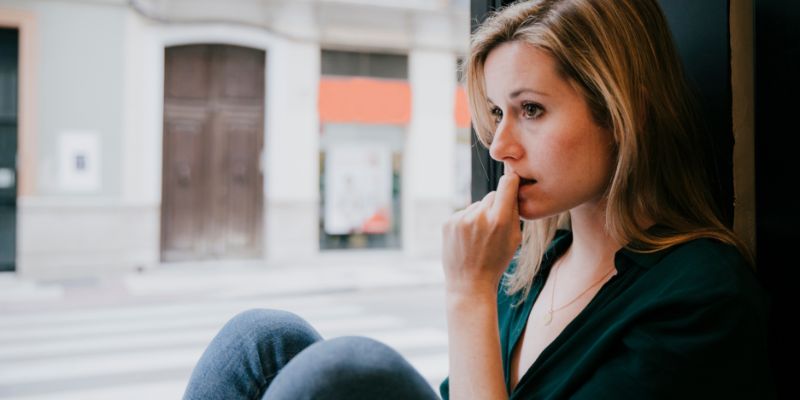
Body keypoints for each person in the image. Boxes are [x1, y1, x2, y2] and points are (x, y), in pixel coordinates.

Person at [183, 0, 774, 398]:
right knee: (259, 339)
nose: (499, 146)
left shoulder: (701, 295)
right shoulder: (526, 270)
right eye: (496, 113)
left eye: (531, 110)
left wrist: (466, 293)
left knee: (343, 372)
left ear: (624, 112)